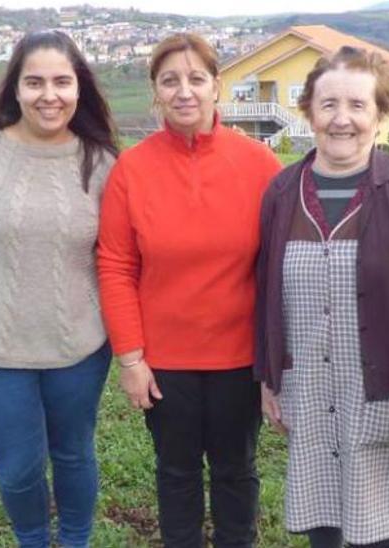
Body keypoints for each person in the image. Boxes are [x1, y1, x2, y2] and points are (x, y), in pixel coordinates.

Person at [0, 31, 119, 548]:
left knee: (74, 455)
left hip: (79, 347)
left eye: (61, 81)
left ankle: (75, 539)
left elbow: (122, 256)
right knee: (17, 468)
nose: (48, 95)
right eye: (34, 82)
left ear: (80, 89)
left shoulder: (102, 163)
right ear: (15, 88)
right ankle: (32, 539)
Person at [254, 46, 389, 548]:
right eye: (328, 105)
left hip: (383, 393)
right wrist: (269, 377)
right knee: (324, 521)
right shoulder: (282, 193)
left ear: (380, 115)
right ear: (308, 112)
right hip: (310, 390)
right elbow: (265, 292)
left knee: (384, 526)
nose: (342, 119)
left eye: (358, 106)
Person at [96, 32, 283, 548]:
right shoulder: (132, 170)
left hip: (240, 359)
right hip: (164, 363)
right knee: (175, 473)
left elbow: (277, 268)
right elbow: (114, 265)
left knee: (236, 471)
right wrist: (131, 359)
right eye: (170, 81)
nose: (185, 92)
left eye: (196, 79)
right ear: (156, 91)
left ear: (216, 87)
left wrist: (274, 361)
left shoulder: (260, 165)